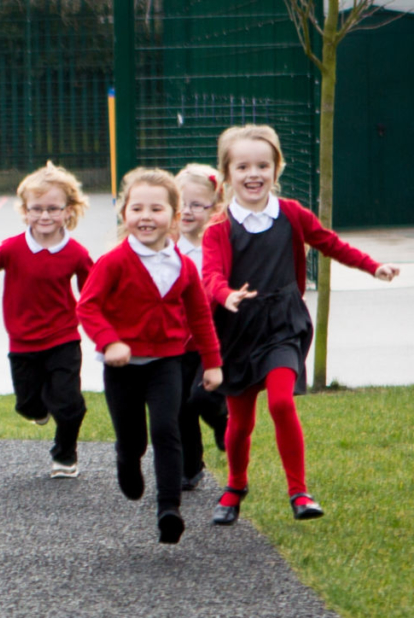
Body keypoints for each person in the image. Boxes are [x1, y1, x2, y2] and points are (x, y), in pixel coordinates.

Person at [202, 124, 400, 525]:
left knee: (280, 400)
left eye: (263, 165)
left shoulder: (292, 213)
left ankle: (299, 492)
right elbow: (210, 276)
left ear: (277, 169)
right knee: (239, 423)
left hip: (283, 324)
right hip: (238, 330)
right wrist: (226, 295)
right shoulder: (218, 229)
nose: (253, 174)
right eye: (242, 166)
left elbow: (330, 243)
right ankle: (235, 487)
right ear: (227, 174)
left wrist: (373, 266)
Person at [78, 168, 222, 544]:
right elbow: (87, 308)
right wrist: (110, 342)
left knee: (166, 429)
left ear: (174, 218)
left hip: (166, 362)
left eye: (156, 209)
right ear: (124, 214)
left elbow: (200, 317)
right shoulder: (113, 262)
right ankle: (126, 461)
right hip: (122, 368)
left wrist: (212, 363)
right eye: (137, 208)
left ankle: (169, 509)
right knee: (133, 439)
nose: (146, 216)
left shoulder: (184, 265)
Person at [0, 162, 93, 479]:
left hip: (64, 338)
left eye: (53, 208)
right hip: (23, 342)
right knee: (28, 406)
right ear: (25, 211)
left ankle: (65, 455)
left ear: (68, 211)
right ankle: (40, 410)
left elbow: (93, 293)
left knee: (68, 403)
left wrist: (110, 330)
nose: (45, 216)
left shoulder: (76, 253)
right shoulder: (12, 249)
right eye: (37, 209)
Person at [174, 164, 229, 491]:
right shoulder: (166, 244)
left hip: (214, 339)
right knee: (179, 406)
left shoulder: (219, 242)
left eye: (197, 204)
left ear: (216, 207)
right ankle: (190, 466)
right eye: (181, 203)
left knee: (202, 396)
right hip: (177, 342)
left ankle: (223, 421)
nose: (187, 211)